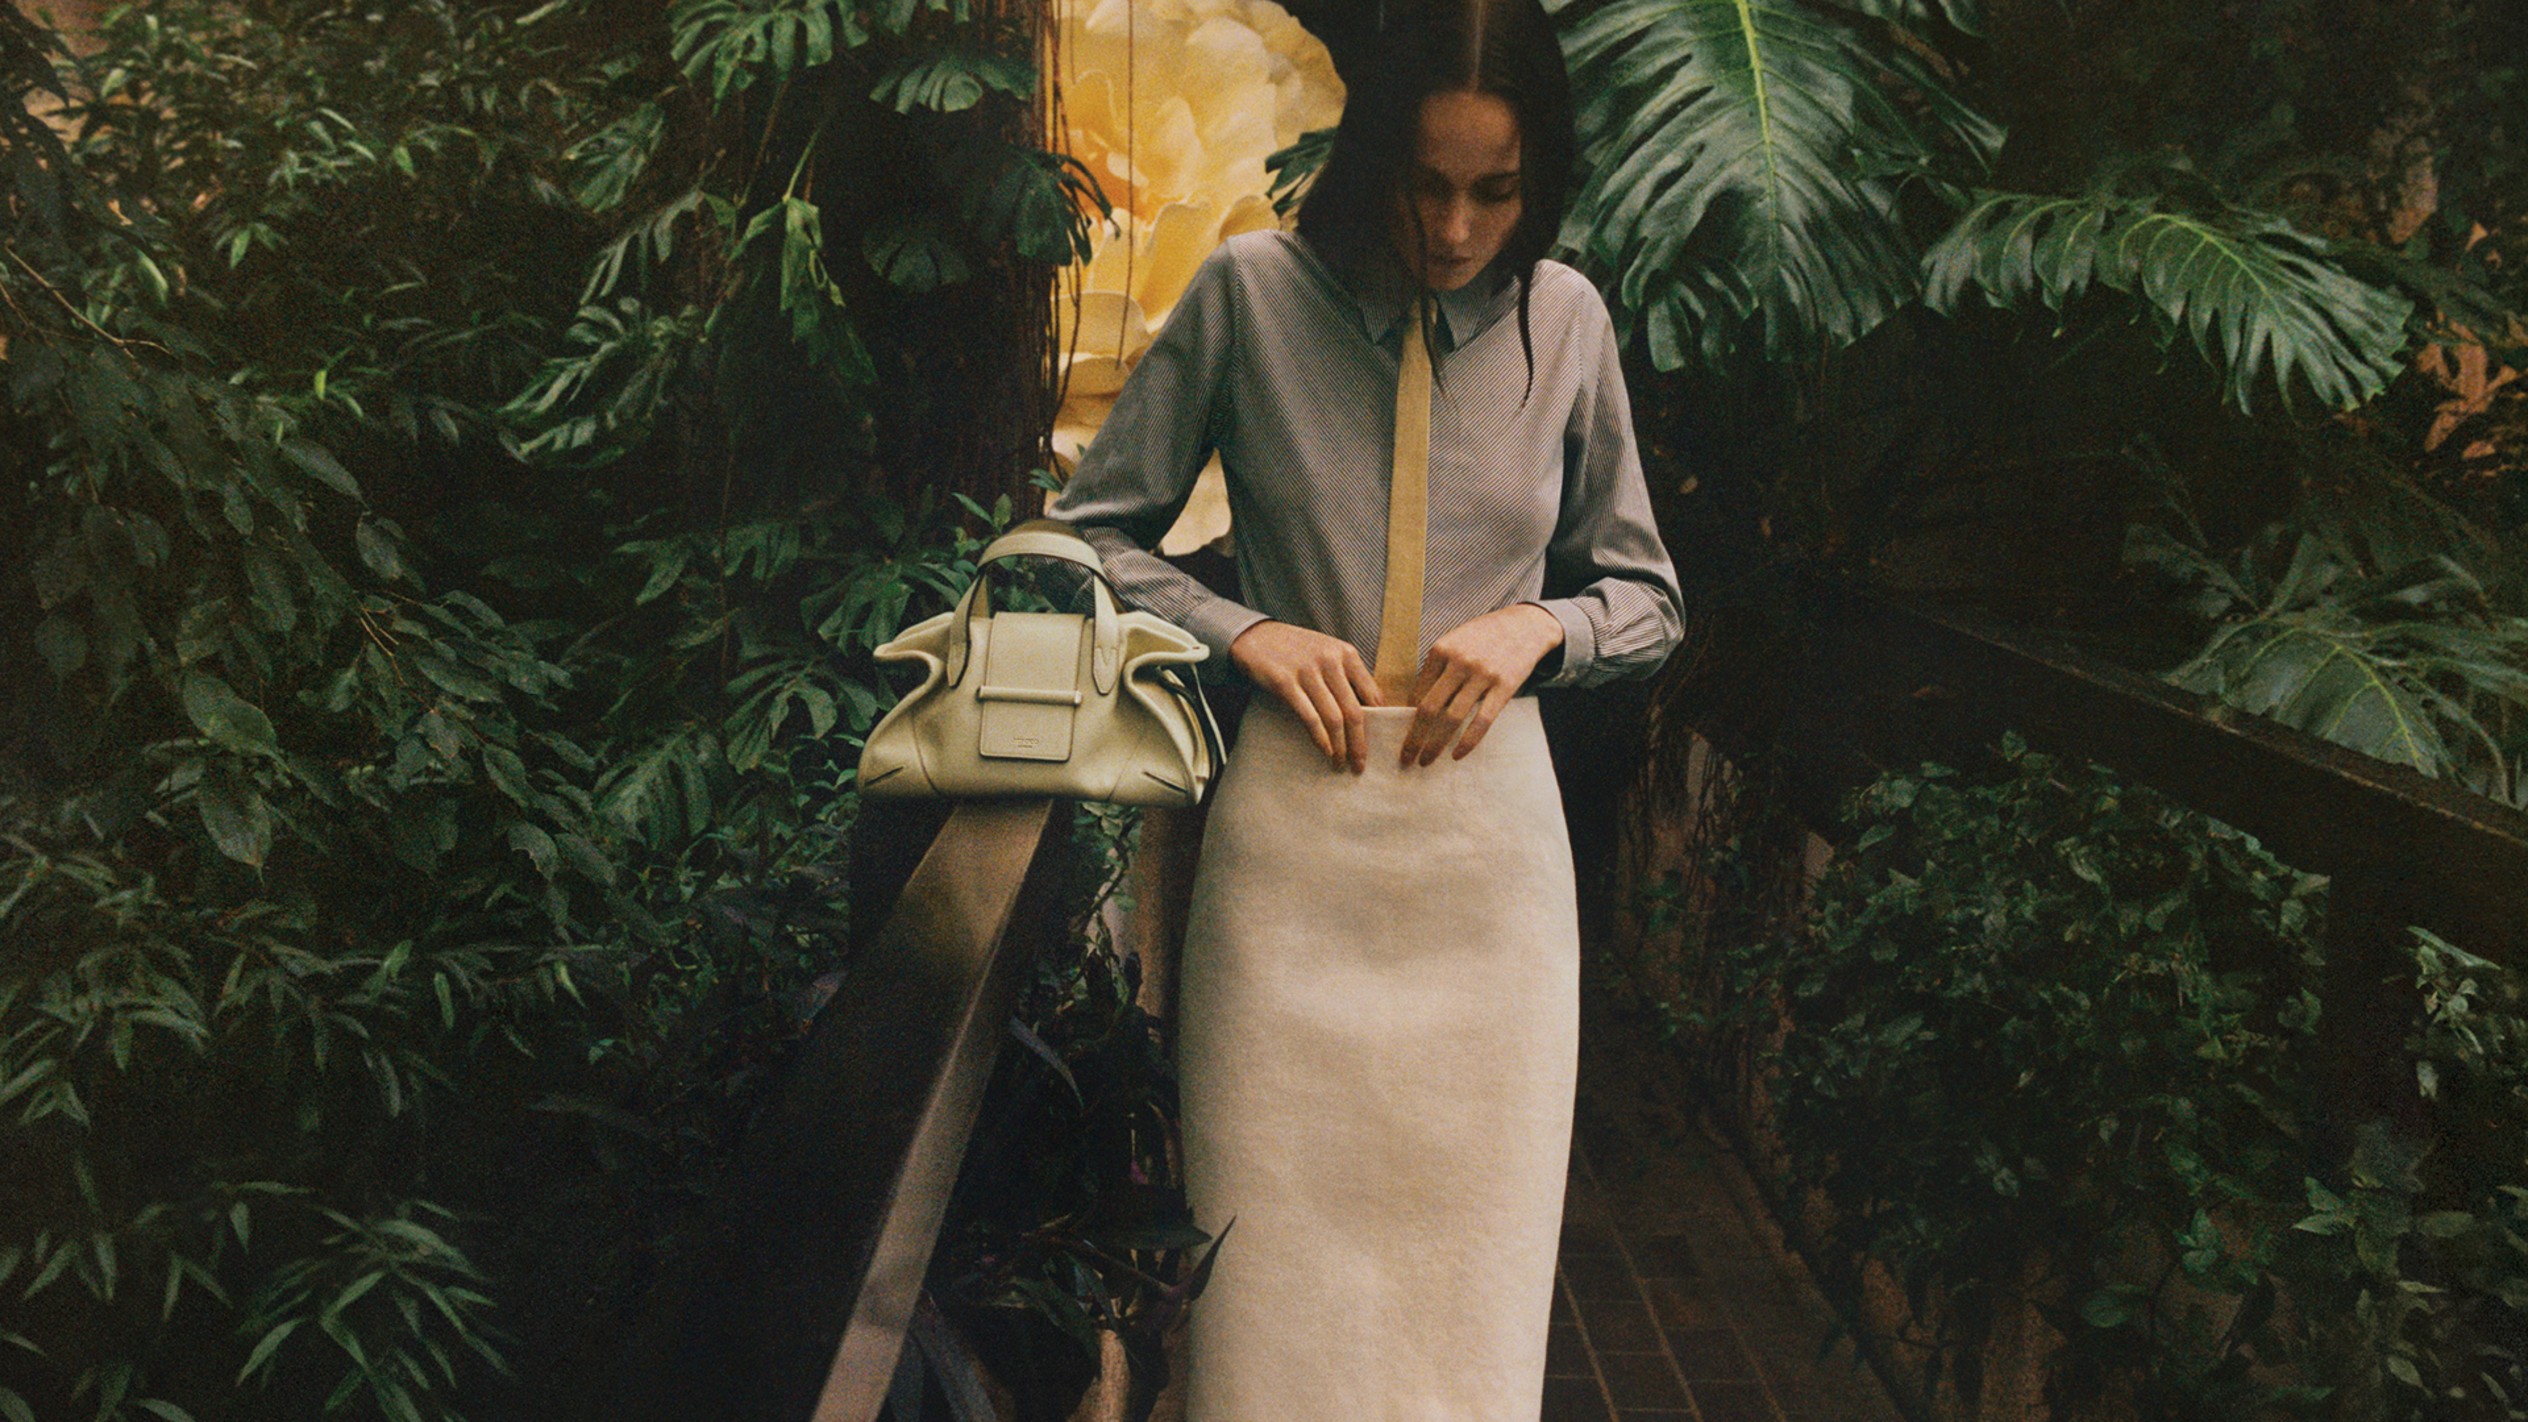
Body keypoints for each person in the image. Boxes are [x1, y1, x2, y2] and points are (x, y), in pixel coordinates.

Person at [1047, 0, 1685, 1413]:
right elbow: (1087, 536)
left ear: (1540, 180)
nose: (1457, 227)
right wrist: (1247, 627)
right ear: (1374, 152)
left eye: (1496, 191)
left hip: (1491, 883)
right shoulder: (1250, 298)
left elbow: (1649, 598)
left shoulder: (1567, 322)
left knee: (1471, 1318)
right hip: (1290, 869)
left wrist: (1544, 623)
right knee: (1269, 1307)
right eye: (1427, 181)